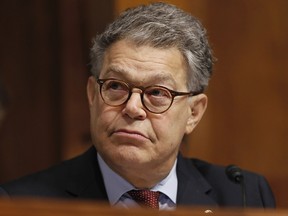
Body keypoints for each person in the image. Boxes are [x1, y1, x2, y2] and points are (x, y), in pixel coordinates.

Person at [0, 2, 275, 210]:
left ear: (193, 113)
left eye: (157, 92)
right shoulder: (22, 203)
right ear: (92, 96)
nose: (132, 108)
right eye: (116, 87)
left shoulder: (244, 195)